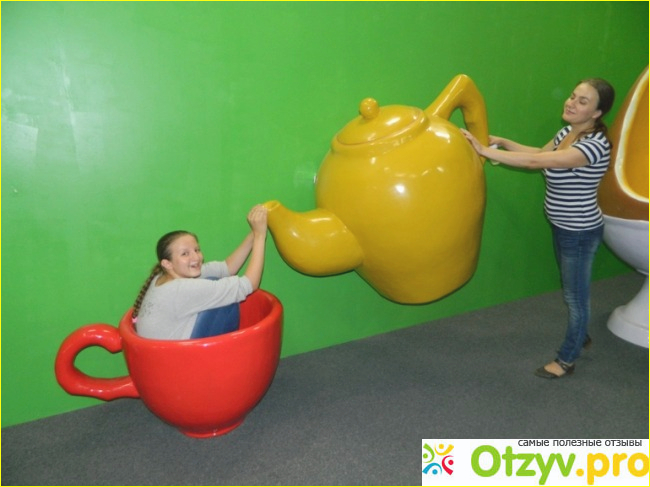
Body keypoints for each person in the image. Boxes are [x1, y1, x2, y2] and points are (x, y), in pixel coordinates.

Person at [461, 78, 615, 379]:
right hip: (563, 226)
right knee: (571, 289)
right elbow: (540, 153)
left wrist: (484, 150)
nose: (571, 103)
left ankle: (567, 359)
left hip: (579, 231)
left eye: (583, 101)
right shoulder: (568, 132)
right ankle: (580, 332)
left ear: (597, 113)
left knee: (576, 297)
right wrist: (504, 142)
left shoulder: (594, 146)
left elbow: (534, 162)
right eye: (573, 96)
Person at [132, 204, 268, 340]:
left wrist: (255, 232)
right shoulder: (181, 289)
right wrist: (260, 236)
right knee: (226, 297)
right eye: (185, 254)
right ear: (167, 263)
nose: (196, 258)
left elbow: (227, 268)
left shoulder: (165, 275)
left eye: (196, 250)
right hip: (181, 352)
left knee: (216, 284)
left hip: (164, 347)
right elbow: (250, 284)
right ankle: (225, 349)